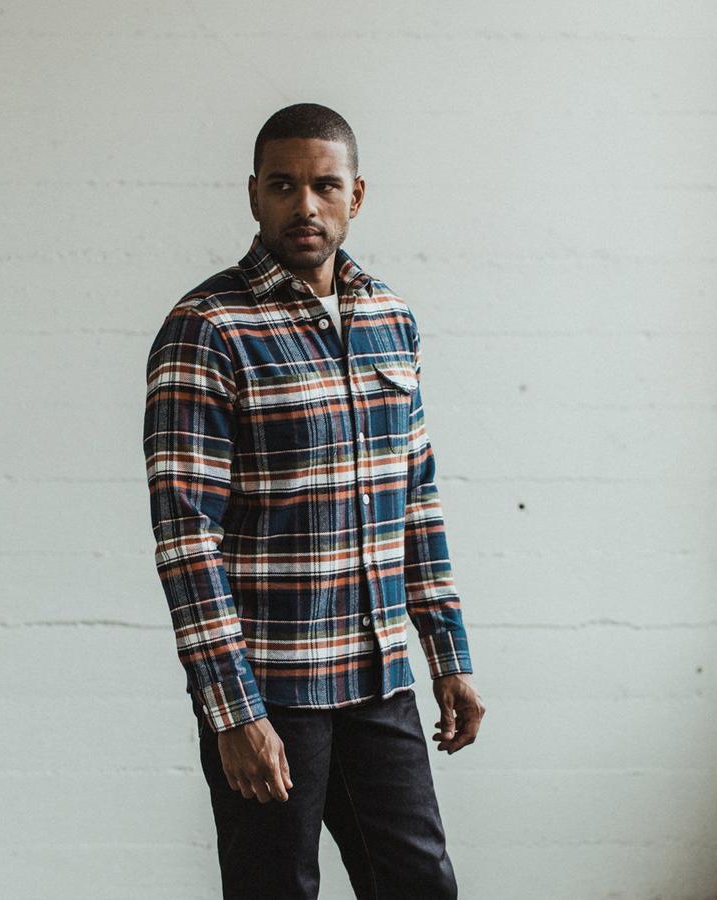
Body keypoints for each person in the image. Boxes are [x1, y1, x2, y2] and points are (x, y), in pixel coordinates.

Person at [142, 102, 485, 899]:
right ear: (254, 195)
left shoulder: (390, 318)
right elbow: (186, 539)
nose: (305, 204)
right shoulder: (208, 328)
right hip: (271, 689)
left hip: (378, 678)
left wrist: (449, 656)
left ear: (355, 196)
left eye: (325, 185)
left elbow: (417, 499)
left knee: (421, 886)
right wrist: (234, 712)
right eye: (283, 185)